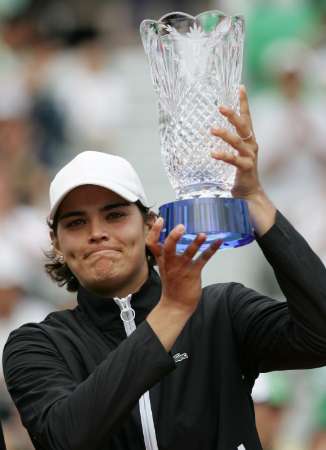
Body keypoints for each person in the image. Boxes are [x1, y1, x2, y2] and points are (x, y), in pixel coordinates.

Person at [3, 86, 326, 450]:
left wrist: (255, 200)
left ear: (149, 226)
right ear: (57, 244)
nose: (97, 233)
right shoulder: (36, 344)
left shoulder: (222, 312)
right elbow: (64, 438)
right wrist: (171, 310)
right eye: (76, 223)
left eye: (115, 215)